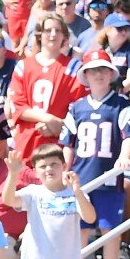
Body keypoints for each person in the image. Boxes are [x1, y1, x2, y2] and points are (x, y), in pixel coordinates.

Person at [62, 50, 130, 259]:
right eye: (93, 70)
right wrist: (66, 167)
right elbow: (68, 142)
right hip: (82, 178)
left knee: (109, 231)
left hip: (107, 177)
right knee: (81, 231)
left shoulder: (121, 105)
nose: (99, 75)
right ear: (86, 75)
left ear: (111, 74)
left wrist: (123, 158)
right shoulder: (76, 107)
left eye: (103, 70)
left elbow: (129, 136)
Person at [10, 14, 85, 164]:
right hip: (27, 145)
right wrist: (48, 119)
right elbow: (18, 106)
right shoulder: (23, 66)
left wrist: (61, 126)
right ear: (39, 34)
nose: (53, 34)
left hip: (58, 146)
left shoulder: (74, 68)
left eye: (57, 30)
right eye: (48, 30)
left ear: (64, 35)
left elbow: (80, 108)